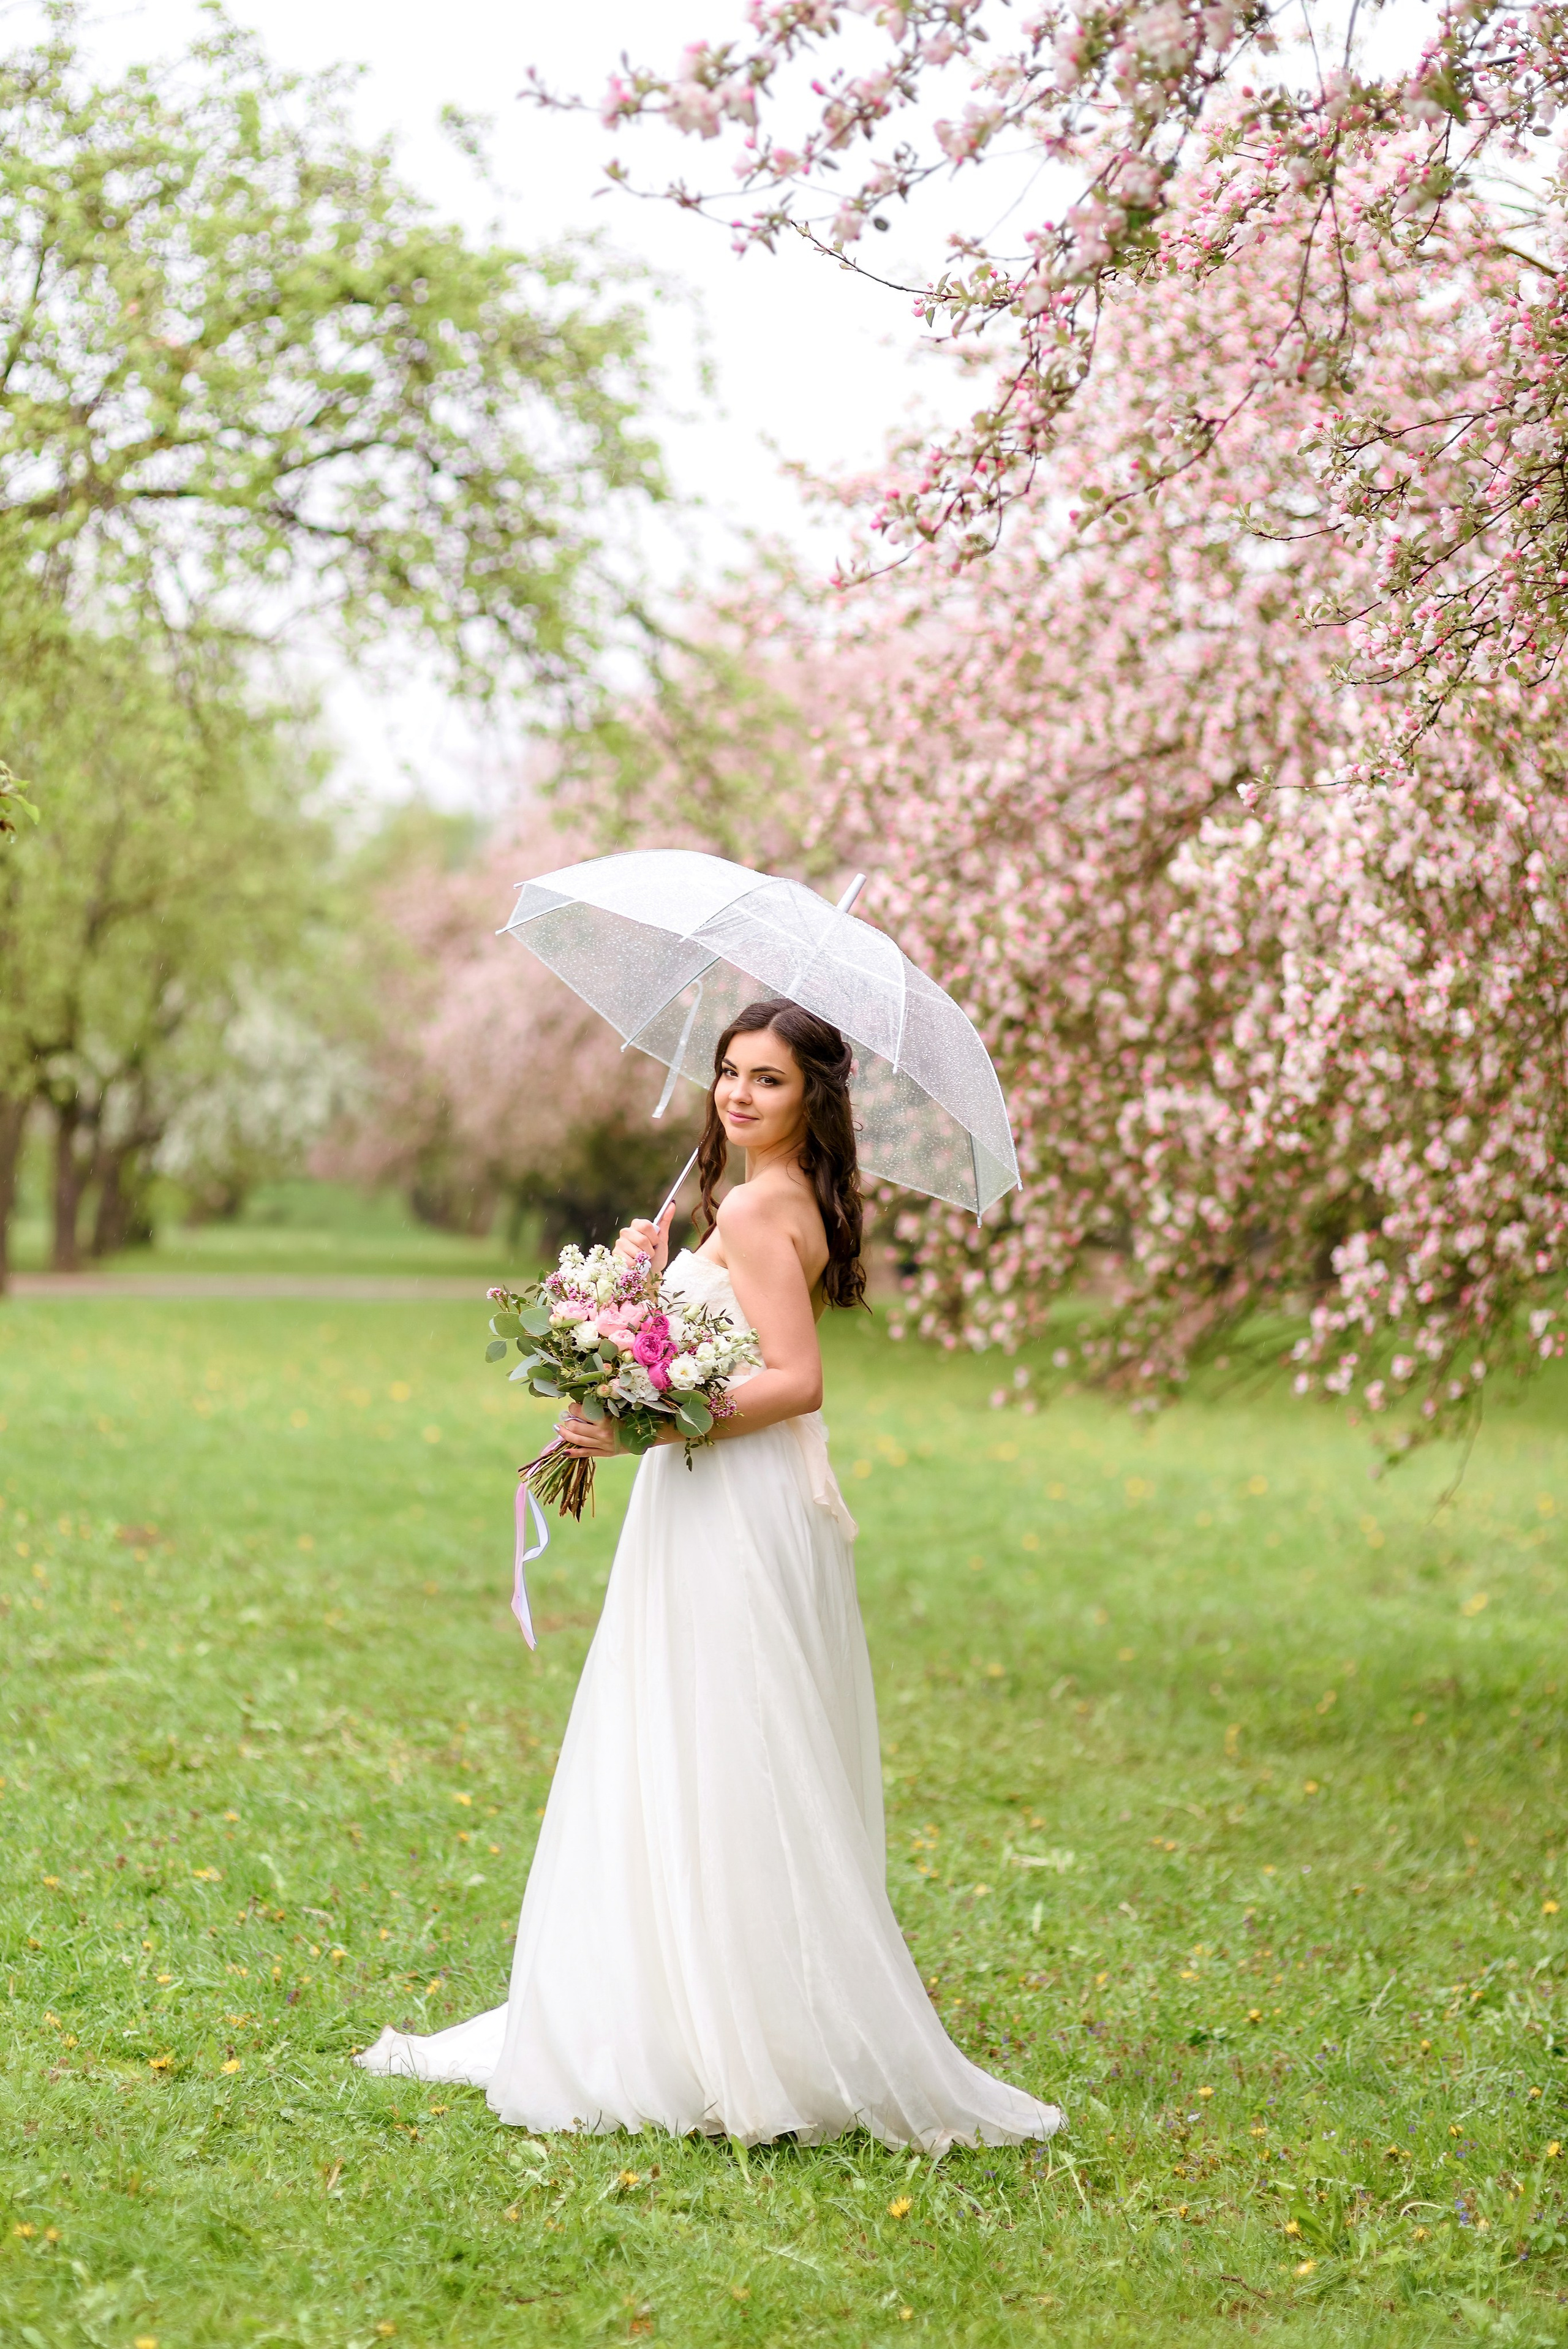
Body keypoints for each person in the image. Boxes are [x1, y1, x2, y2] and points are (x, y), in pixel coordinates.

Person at [356, 998, 1061, 2151]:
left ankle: (737, 2028)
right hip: (711, 1498)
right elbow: (715, 1343)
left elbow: (796, 1379)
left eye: (770, 1081)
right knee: (687, 1736)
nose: (739, 1094)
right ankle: (687, 2000)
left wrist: (640, 1428)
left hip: (735, 1506)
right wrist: (636, 1308)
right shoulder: (736, 1200)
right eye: (731, 1073)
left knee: (726, 1739)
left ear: (812, 1100)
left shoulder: (761, 1200)